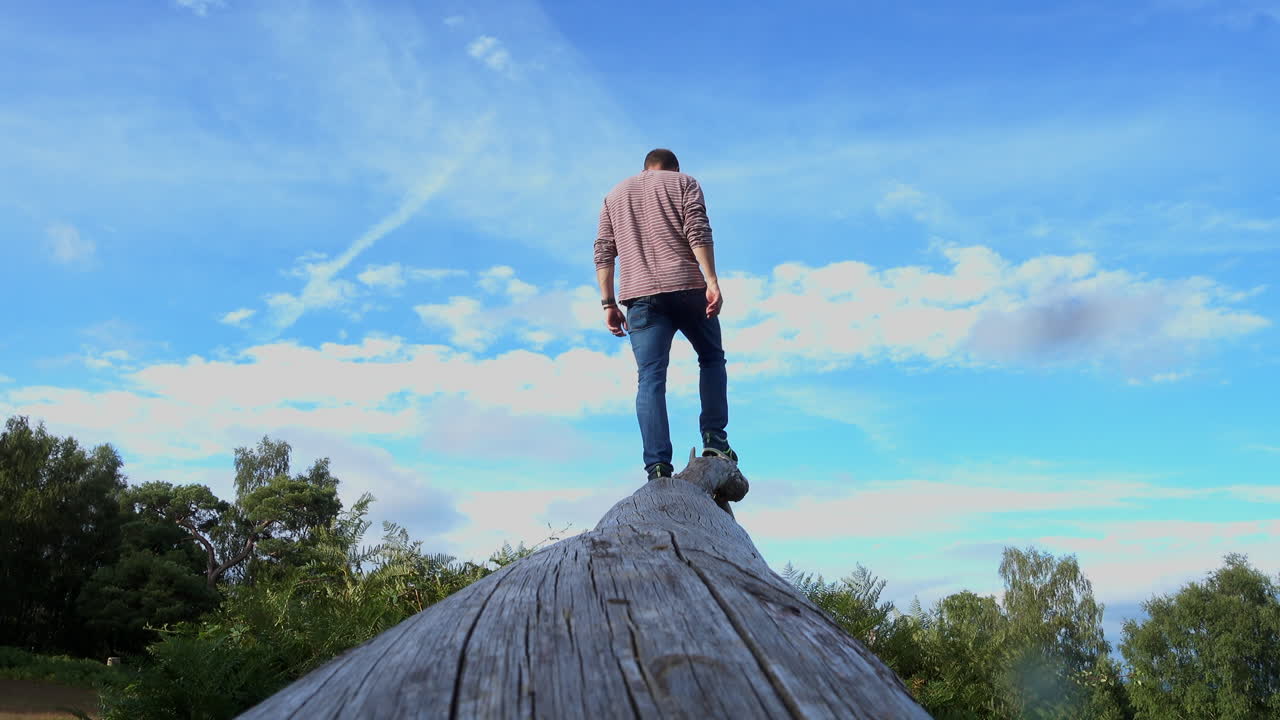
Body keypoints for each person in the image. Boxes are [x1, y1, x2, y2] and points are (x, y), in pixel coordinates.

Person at [593, 148, 737, 480]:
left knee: (650, 378)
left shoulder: (613, 196)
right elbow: (697, 229)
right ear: (674, 168)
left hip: (640, 296)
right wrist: (712, 281)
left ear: (646, 167)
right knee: (711, 358)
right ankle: (715, 439)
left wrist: (608, 303)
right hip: (687, 286)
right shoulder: (684, 183)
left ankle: (657, 466)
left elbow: (603, 250)